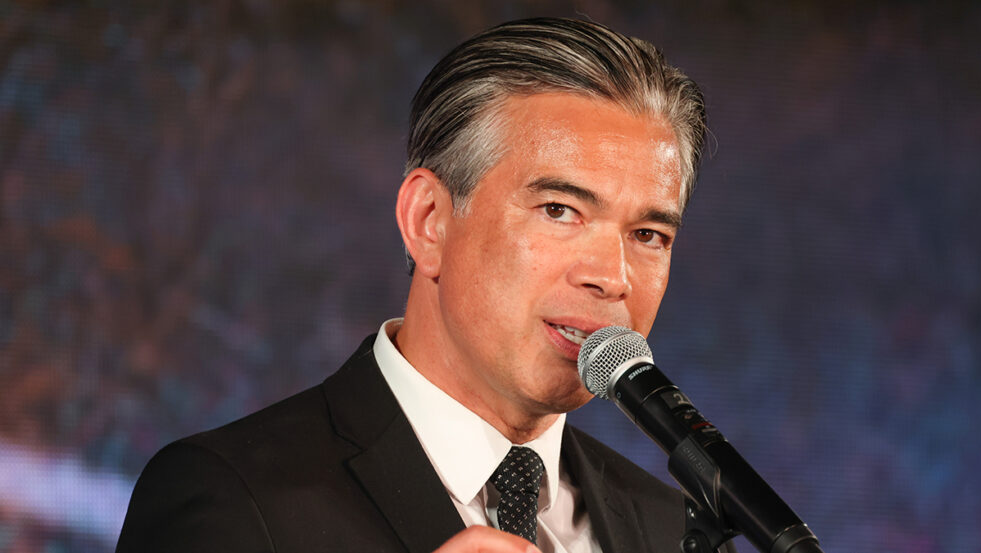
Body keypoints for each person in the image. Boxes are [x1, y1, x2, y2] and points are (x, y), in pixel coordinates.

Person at [116, 17, 727, 553]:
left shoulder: (671, 527)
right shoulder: (232, 496)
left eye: (649, 235)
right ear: (429, 221)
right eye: (559, 210)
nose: (611, 277)